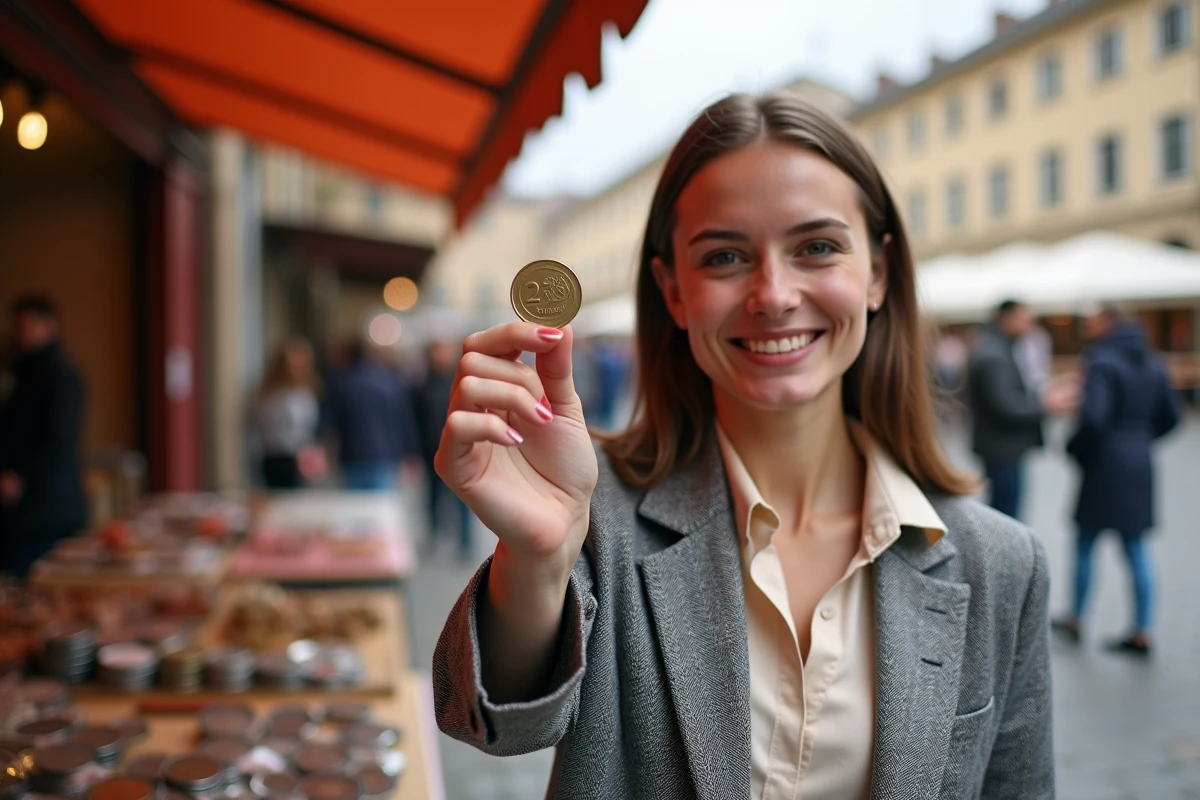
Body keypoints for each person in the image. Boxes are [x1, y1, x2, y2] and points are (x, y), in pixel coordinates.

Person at [431, 93, 1053, 799]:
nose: (774, 294)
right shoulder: (597, 518)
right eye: (725, 256)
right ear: (673, 291)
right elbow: (496, 721)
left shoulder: (1001, 563)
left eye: (816, 247)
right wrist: (538, 558)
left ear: (877, 273)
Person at [1053, 304, 1181, 657]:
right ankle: (1143, 629)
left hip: (1104, 464)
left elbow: (1093, 418)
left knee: (1084, 543)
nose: (1088, 326)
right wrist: (1139, 440)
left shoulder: (1101, 361)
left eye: (1093, 321)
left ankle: (1076, 618)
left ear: (1108, 323)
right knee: (1136, 546)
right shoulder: (1153, 361)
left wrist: (1075, 448)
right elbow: (1172, 416)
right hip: (1139, 462)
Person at [0, 295, 86, 578]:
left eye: (26, 327)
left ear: (48, 326)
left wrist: (19, 475)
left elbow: (57, 438)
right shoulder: (21, 370)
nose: (18, 334)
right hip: (27, 506)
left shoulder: (58, 374)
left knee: (38, 584)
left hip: (46, 506)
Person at [966, 299, 1076, 520]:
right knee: (1006, 518)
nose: (1029, 326)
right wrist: (1047, 405)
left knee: (1003, 513)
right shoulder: (994, 354)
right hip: (1002, 448)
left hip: (1001, 447)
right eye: (1025, 320)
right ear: (1006, 318)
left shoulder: (997, 348)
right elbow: (1006, 405)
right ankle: (1005, 556)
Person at [322, 338, 419, 491]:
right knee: (380, 507)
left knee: (357, 506)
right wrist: (411, 452)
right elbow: (404, 421)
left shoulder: (343, 384)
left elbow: (329, 422)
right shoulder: (390, 382)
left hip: (353, 455)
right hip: (385, 455)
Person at [412, 337, 473, 559]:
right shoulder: (421, 386)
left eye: (446, 351)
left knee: (463, 499)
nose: (442, 356)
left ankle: (465, 543)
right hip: (432, 450)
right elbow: (415, 420)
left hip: (460, 451)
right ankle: (433, 537)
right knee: (433, 498)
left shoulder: (461, 382)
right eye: (438, 351)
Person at [252, 336, 324, 489]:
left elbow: (309, 427)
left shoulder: (307, 391)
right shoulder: (268, 394)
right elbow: (259, 424)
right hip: (273, 454)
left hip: (299, 456)